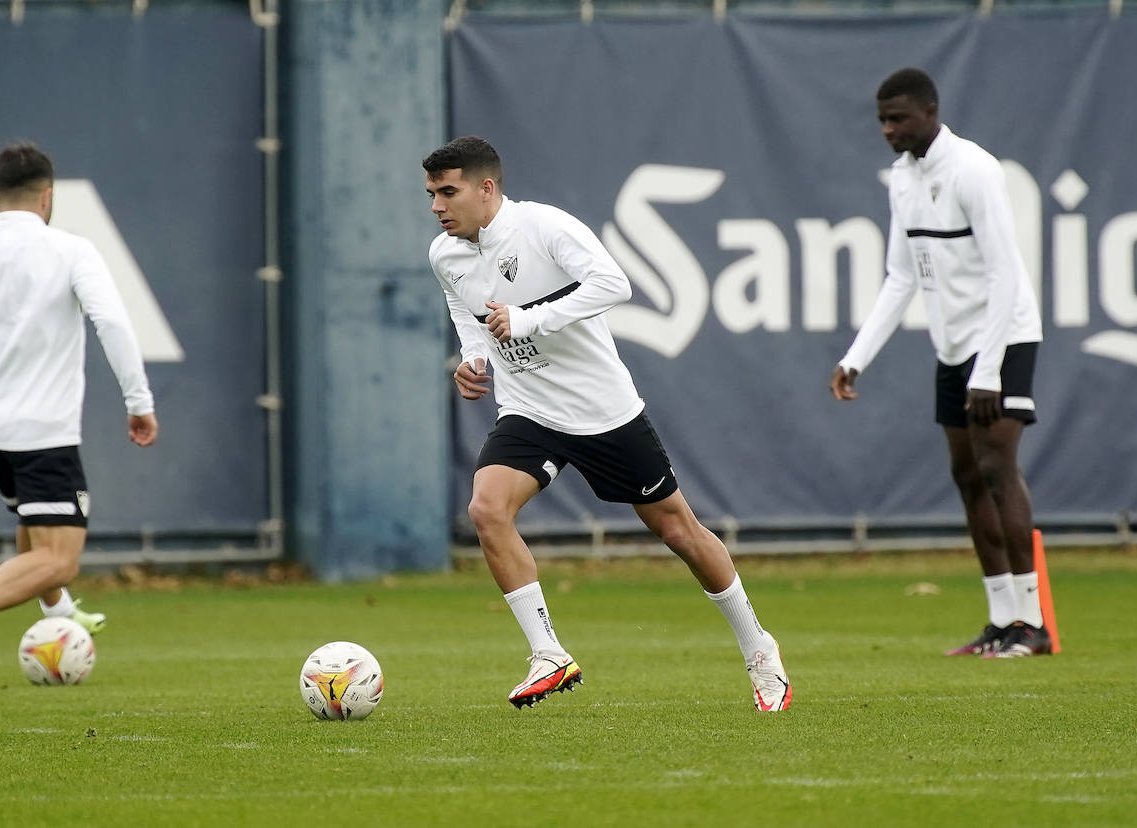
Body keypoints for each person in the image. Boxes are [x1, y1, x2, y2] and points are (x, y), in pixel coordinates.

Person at [424, 136, 791, 711]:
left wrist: (529, 319)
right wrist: (471, 358)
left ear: (486, 188)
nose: (438, 206)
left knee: (678, 532)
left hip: (601, 410)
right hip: (528, 409)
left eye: (449, 191)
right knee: (486, 509)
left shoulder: (543, 227)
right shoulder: (445, 254)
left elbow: (614, 284)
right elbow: (464, 312)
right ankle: (548, 653)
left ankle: (759, 648)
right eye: (432, 194)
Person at [0, 141, 158, 688]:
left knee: (37, 532)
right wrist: (138, 402)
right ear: (48, 196)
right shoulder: (71, 250)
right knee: (61, 557)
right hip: (44, 431)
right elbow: (112, 322)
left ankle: (60, 615)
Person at [829, 68, 1049, 658]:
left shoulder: (975, 170)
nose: (887, 129)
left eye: (897, 118)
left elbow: (1007, 272)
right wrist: (857, 357)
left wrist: (987, 369)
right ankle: (1002, 622)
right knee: (967, 476)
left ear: (929, 112)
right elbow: (902, 276)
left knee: (998, 468)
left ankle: (1033, 623)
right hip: (953, 349)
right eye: (881, 120)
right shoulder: (902, 179)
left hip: (1004, 337)